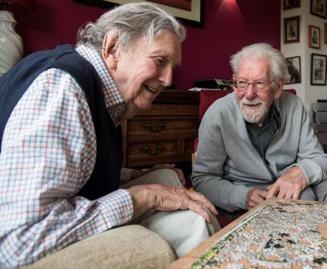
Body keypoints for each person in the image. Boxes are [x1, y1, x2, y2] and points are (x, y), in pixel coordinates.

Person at [0, 2, 218, 267]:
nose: (169, 79)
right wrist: (146, 195)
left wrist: (134, 177)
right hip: (20, 246)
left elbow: (77, 166)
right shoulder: (64, 88)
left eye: (172, 66)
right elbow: (19, 240)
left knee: (167, 177)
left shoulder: (101, 92)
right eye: (160, 61)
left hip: (40, 223)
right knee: (190, 223)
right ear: (113, 47)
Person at [191, 43, 327, 214]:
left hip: (292, 178)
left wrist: (300, 173)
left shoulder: (294, 105)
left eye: (259, 83)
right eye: (242, 83)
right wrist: (242, 196)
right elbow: (203, 179)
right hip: (248, 187)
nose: (249, 94)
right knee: (303, 197)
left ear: (278, 87)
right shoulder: (218, 113)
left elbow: (322, 160)